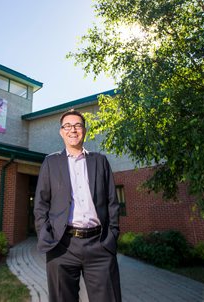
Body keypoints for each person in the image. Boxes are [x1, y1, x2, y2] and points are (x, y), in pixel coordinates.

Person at [34, 109, 122, 302]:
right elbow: (41, 204)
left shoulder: (100, 161)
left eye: (77, 125)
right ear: (61, 132)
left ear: (84, 130)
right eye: (67, 126)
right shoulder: (50, 162)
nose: (72, 129)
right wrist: (45, 235)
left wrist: (112, 236)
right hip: (62, 246)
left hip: (99, 245)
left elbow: (112, 203)